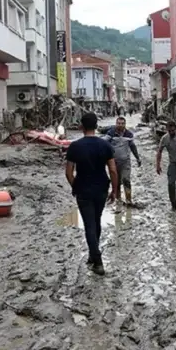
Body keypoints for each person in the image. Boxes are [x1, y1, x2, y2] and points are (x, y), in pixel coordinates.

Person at [65, 112, 119, 275]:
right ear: (96, 126)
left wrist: (77, 186)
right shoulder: (105, 146)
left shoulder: (74, 147)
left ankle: (97, 260)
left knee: (89, 224)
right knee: (96, 221)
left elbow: (68, 173)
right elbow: (113, 170)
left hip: (84, 190)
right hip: (101, 189)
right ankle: (93, 255)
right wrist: (114, 191)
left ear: (81, 126)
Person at [103, 116, 141, 209]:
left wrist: (137, 158)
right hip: (114, 163)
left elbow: (133, 147)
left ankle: (128, 200)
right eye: (118, 123)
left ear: (125, 124)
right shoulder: (111, 133)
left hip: (125, 162)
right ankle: (118, 199)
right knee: (116, 182)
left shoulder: (129, 134)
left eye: (122, 123)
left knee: (126, 180)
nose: (120, 125)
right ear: (116, 124)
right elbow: (103, 144)